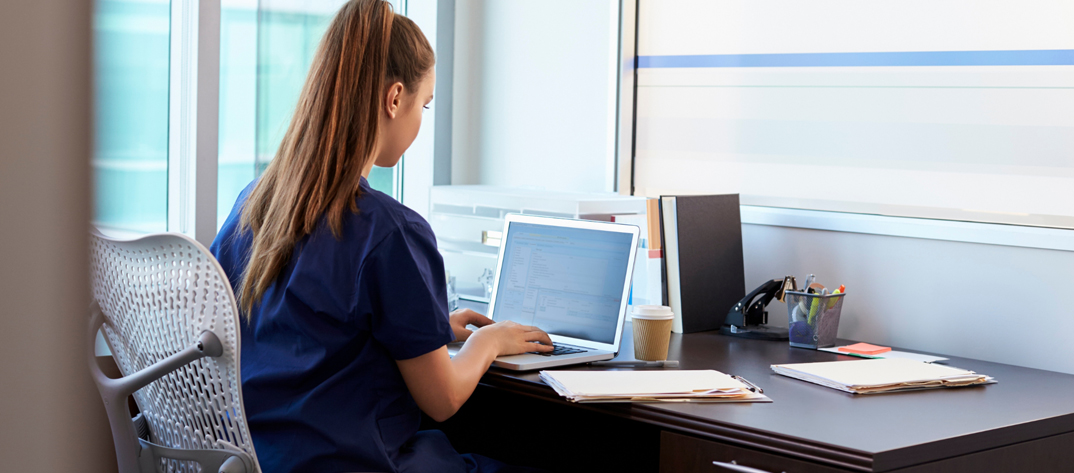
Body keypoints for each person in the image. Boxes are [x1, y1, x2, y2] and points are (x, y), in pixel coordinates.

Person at [210, 1, 552, 471]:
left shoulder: (254, 205)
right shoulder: (392, 233)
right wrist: (487, 342)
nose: (420, 120)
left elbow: (302, 330)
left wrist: (429, 329)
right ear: (395, 99)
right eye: (424, 104)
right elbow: (443, 399)